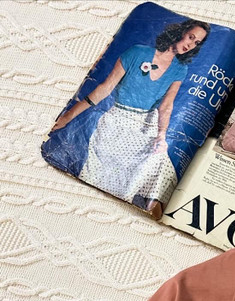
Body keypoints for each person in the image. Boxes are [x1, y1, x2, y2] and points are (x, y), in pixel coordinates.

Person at [50, 19, 209, 218]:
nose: (191, 44)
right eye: (191, 37)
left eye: (196, 42)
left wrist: (161, 136)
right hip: (117, 121)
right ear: (181, 31)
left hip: (147, 125)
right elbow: (105, 88)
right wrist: (67, 116)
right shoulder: (137, 52)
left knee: (162, 170)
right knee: (106, 180)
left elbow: (167, 106)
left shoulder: (180, 69)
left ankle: (160, 222)